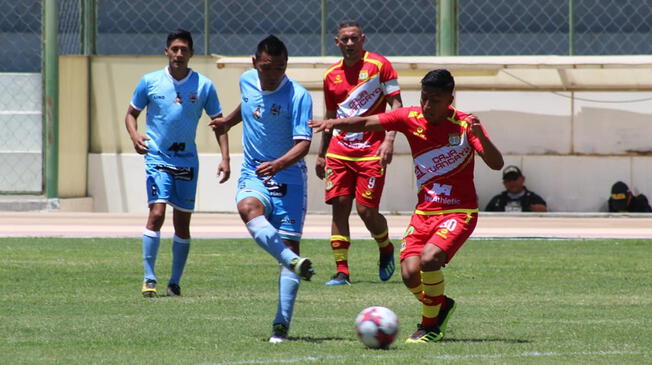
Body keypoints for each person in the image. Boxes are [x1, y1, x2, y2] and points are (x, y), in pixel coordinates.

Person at [309, 69, 504, 343]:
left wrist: (480, 137)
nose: (427, 105)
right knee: (410, 274)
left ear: (450, 97)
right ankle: (441, 305)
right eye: (424, 97)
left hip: (459, 212)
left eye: (435, 99)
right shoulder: (409, 117)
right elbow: (366, 122)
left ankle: (429, 325)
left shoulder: (465, 124)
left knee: (429, 260)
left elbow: (497, 164)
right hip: (424, 213)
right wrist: (334, 123)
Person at [209, 35, 314, 343]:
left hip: (290, 178)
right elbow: (250, 105)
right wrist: (228, 121)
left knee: (291, 245)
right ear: (255, 63)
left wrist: (279, 164)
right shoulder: (246, 81)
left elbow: (304, 144)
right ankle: (292, 262)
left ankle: (281, 324)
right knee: (247, 208)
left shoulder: (299, 96)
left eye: (279, 68)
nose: (273, 75)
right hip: (254, 173)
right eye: (267, 68)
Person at [125, 29, 231, 298]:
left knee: (182, 224)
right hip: (158, 158)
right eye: (174, 49)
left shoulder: (204, 85)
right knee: (157, 214)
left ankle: (174, 282)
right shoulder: (149, 82)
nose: (179, 54)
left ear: (191, 53)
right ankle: (149, 279)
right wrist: (135, 136)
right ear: (166, 52)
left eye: (184, 49)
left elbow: (219, 124)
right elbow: (131, 114)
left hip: (187, 161)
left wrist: (225, 158)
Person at [315, 20, 403, 286]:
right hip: (340, 151)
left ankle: (385, 246)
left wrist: (389, 139)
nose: (350, 44)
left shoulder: (380, 66)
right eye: (345, 39)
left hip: (371, 151)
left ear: (363, 39)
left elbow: (396, 104)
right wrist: (322, 153)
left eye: (354, 39)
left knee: (366, 211)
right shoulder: (331, 75)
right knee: (339, 207)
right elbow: (330, 117)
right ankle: (342, 271)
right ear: (337, 42)